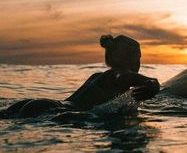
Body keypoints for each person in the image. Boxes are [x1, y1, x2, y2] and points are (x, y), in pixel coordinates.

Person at [0, 35, 160, 118]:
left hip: (39, 104)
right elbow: (147, 81)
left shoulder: (97, 76)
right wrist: (153, 85)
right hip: (54, 111)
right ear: (132, 58)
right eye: (139, 57)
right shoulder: (123, 75)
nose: (139, 62)